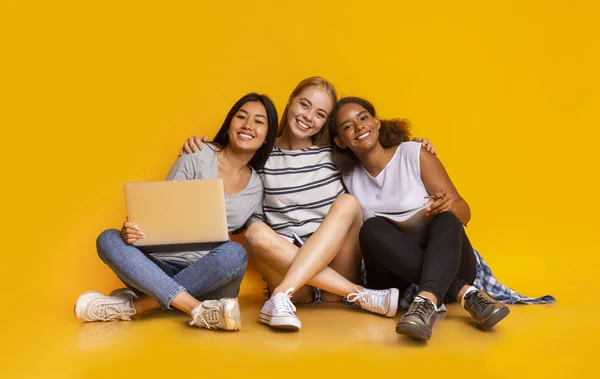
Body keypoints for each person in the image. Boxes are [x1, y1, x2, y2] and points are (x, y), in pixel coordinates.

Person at [179, 77, 437, 331]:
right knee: (255, 231)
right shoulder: (261, 154)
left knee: (348, 203)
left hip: (338, 266)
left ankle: (280, 295)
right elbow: (231, 158)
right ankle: (356, 294)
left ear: (326, 122)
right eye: (304, 105)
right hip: (294, 286)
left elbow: (373, 149)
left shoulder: (334, 152)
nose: (308, 117)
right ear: (290, 102)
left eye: (320, 113)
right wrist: (203, 146)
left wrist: (412, 148)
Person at [328, 96, 555, 341]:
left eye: (363, 117)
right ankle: (467, 294)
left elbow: (464, 211)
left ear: (377, 122)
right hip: (395, 280)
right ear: (340, 141)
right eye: (348, 126)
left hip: (448, 263)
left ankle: (427, 301)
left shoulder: (414, 154)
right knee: (371, 228)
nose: (359, 126)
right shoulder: (345, 177)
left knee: (446, 218)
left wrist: (450, 206)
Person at [74, 93, 279, 331]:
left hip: (210, 278)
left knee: (235, 253)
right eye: (241, 117)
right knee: (108, 238)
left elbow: (259, 235)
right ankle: (196, 309)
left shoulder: (257, 187)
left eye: (258, 121)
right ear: (229, 123)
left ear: (267, 137)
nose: (247, 125)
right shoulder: (198, 154)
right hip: (156, 267)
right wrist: (132, 230)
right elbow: (160, 211)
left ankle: (135, 306)